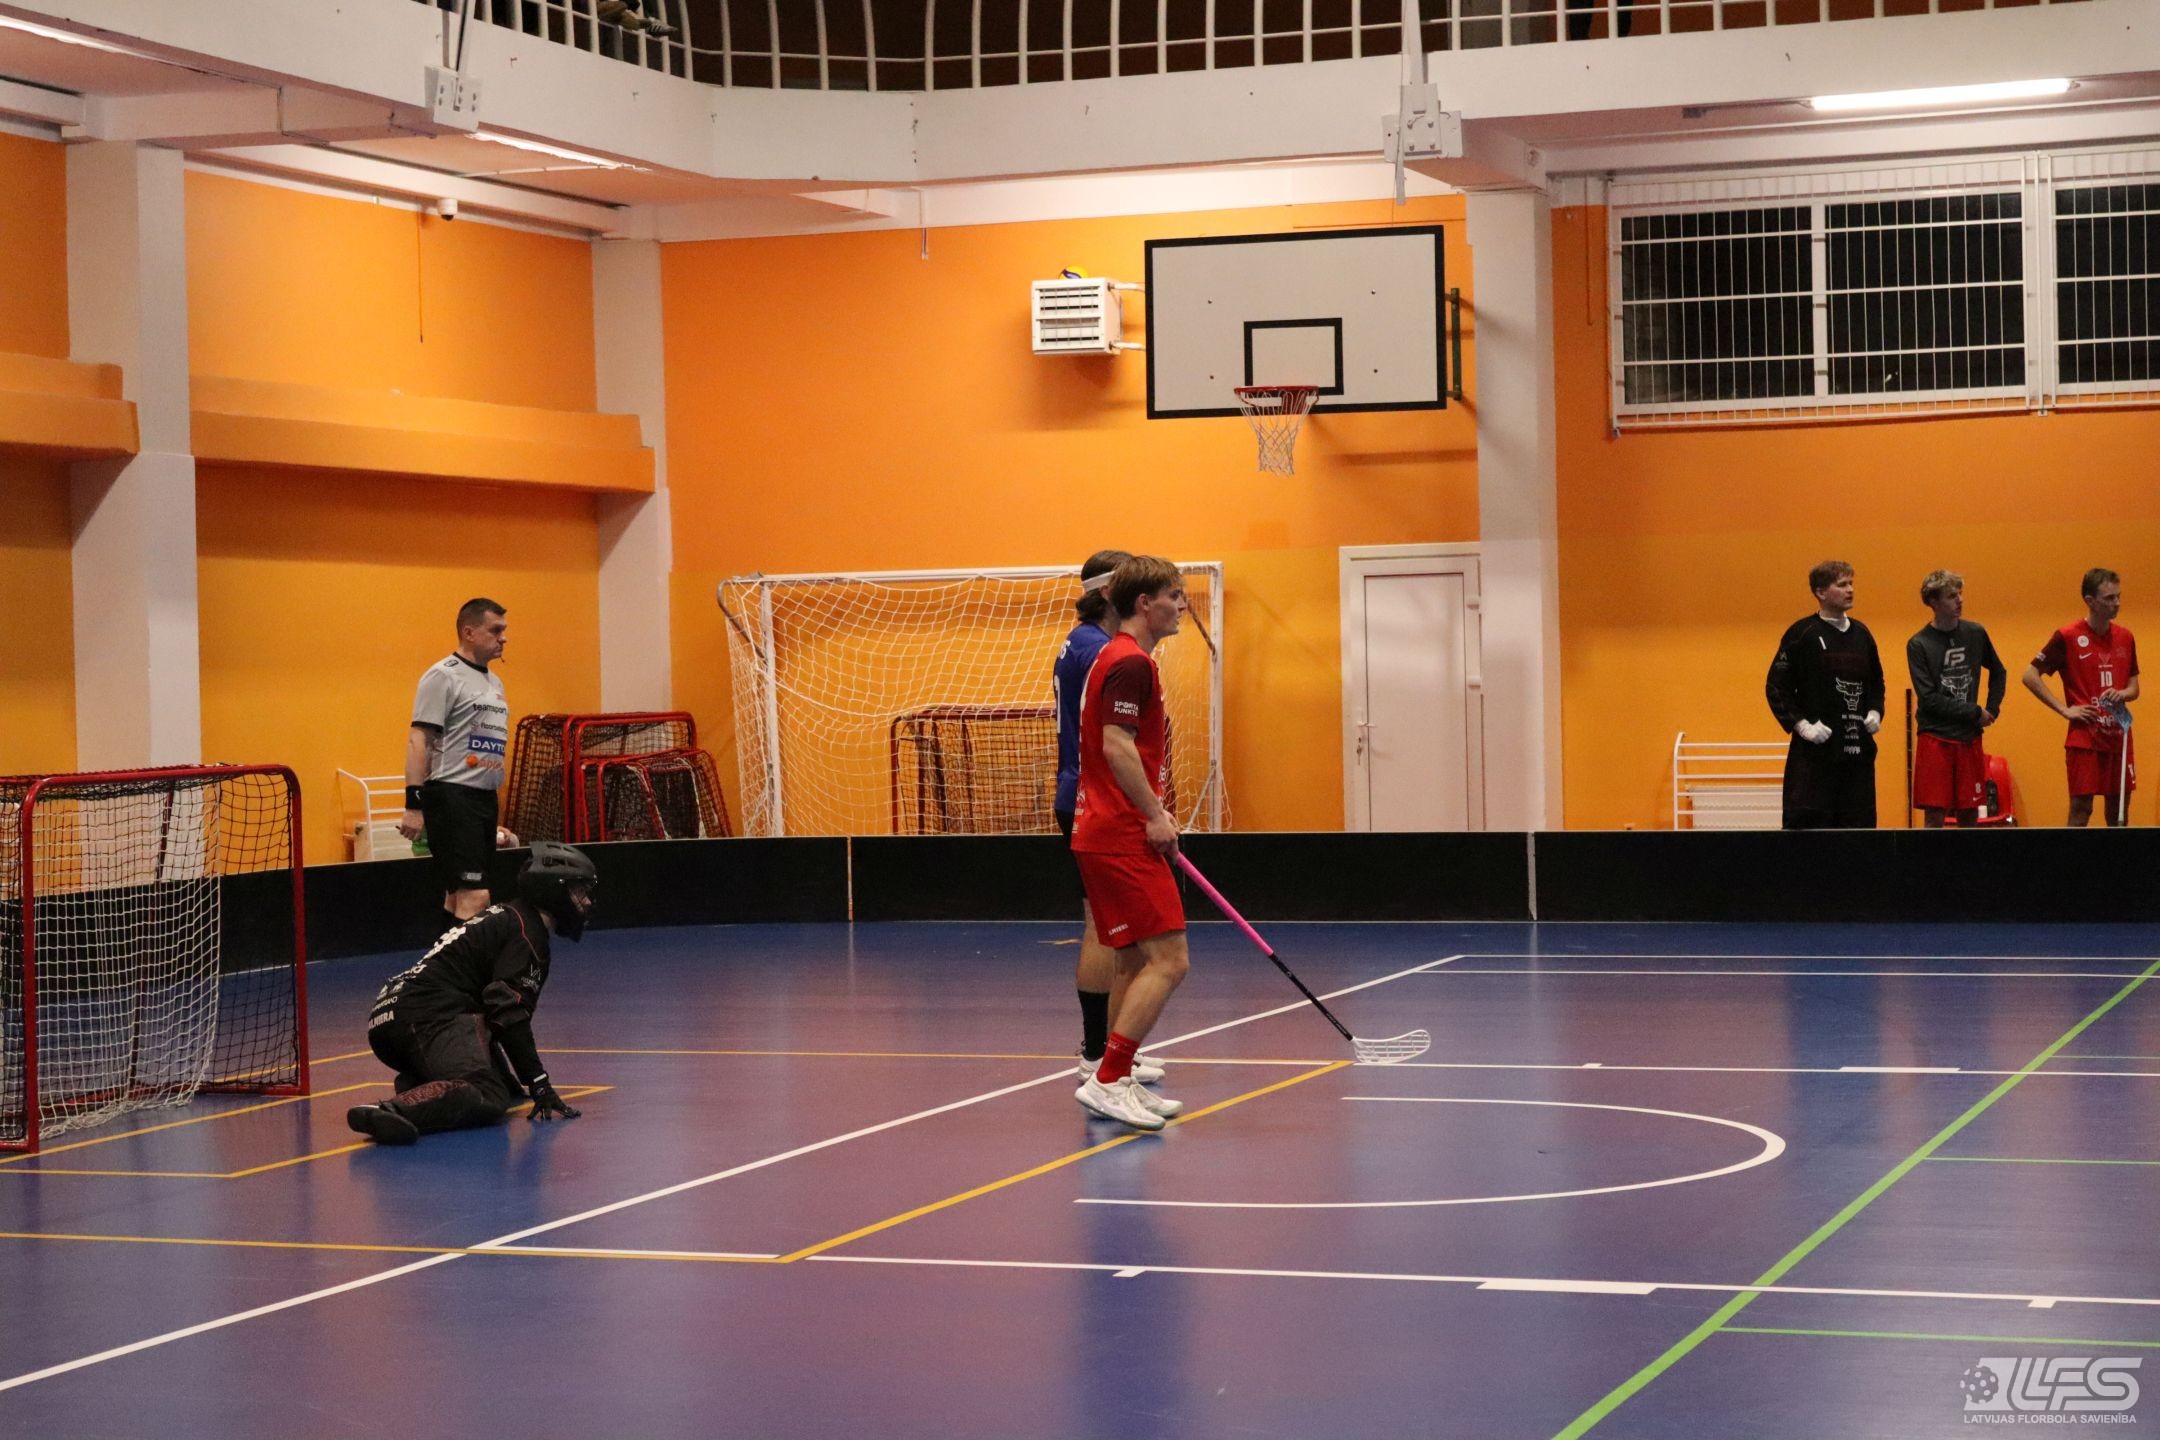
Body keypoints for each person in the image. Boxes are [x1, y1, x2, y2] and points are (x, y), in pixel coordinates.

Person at [347, 842, 597, 1145]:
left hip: (392, 1019)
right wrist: (539, 1082)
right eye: (578, 892)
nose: (586, 902)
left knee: (504, 1088)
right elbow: (508, 1013)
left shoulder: (508, 917)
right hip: (427, 1017)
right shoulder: (527, 935)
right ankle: (392, 1110)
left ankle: (420, 1080)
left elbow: (493, 1015)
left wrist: (517, 1080)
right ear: (553, 890)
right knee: (489, 1093)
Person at [1071, 556, 1191, 1132]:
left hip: (1102, 831)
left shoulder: (1114, 656)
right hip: (1120, 833)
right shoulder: (1130, 662)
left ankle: (1111, 1077)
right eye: (1174, 595)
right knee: (1170, 961)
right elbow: (1116, 746)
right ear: (1145, 603)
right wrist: (1155, 816)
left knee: (1132, 959)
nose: (1181, 606)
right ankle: (1110, 1079)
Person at [1053, 550, 1165, 1092]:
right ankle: (1096, 1053)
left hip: (1090, 793)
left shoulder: (1081, 643)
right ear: (1108, 594)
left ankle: (1112, 1052)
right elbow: (1112, 740)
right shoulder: (1105, 651)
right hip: (1095, 798)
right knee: (1105, 928)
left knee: (1123, 935)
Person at [401, 598, 513, 935]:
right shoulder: (443, 676)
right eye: (495, 630)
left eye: (504, 630)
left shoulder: (495, 683)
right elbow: (419, 739)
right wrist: (413, 805)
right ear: (469, 632)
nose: (504, 638)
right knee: (476, 898)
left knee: (456, 897)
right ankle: (467, 967)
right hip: (453, 797)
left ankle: (442, 966)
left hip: (482, 799)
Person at [1765, 560, 1886, 829]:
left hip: (1857, 756)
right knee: (1810, 830)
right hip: (1815, 757)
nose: (1850, 590)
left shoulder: (1863, 635)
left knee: (1858, 832)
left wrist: (1876, 711)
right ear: (1821, 592)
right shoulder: (1802, 634)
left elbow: (1876, 682)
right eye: (1842, 585)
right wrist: (1802, 725)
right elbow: (1776, 686)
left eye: (1851, 583)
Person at [2023, 567, 2139, 827]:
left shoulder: (2125, 637)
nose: (2117, 603)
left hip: (2119, 735)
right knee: (2081, 808)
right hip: (2085, 738)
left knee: (2118, 812)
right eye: (2109, 598)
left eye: (2118, 596)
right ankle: (2071, 855)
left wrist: (2122, 693)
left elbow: (2134, 688)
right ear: (2090, 601)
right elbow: (2030, 675)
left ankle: (2117, 856)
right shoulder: (2068, 636)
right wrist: (2064, 709)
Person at [1906, 569, 2008, 828]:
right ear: (1934, 602)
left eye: (1960, 594)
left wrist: (1992, 709)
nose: (1960, 600)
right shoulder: (1919, 644)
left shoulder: (1975, 633)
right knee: (1935, 815)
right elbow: (1929, 699)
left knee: (1970, 813)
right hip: (1935, 737)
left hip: (1968, 737)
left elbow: (1999, 672)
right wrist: (1975, 712)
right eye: (1952, 596)